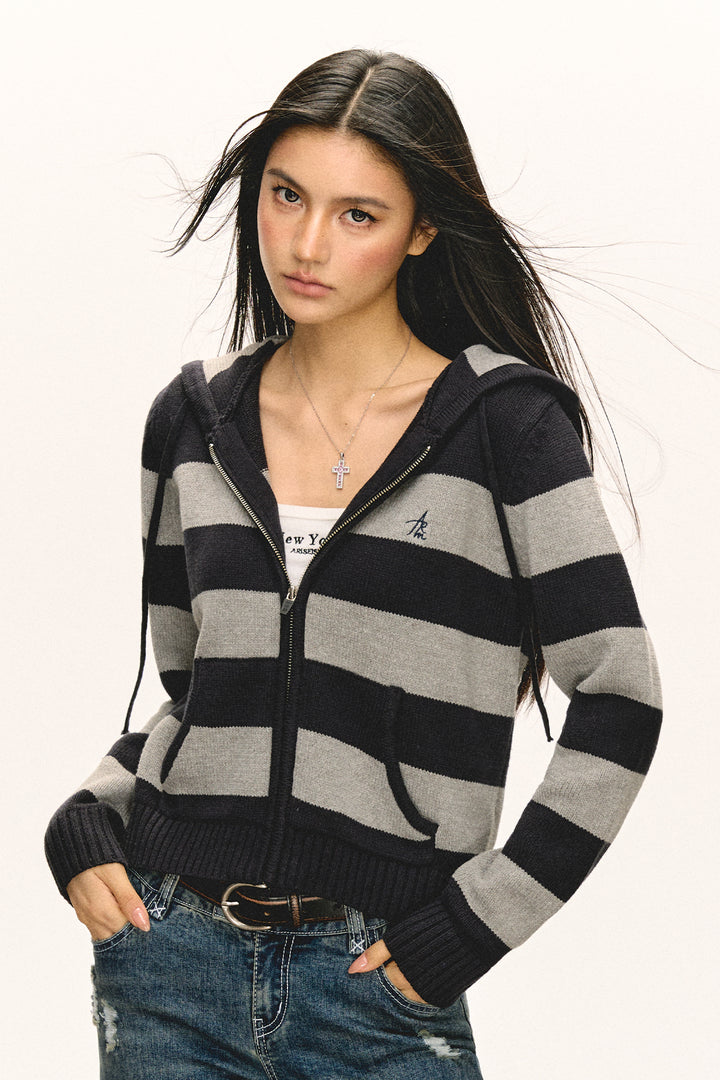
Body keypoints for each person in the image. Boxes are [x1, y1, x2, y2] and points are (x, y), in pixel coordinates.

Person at [45, 49, 662, 1079]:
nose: (306, 244)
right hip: (168, 963)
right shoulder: (193, 419)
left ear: (422, 229)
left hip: (378, 980)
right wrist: (90, 816)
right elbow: (200, 694)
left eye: (357, 214)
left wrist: (478, 922)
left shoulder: (505, 429)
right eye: (286, 195)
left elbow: (622, 696)